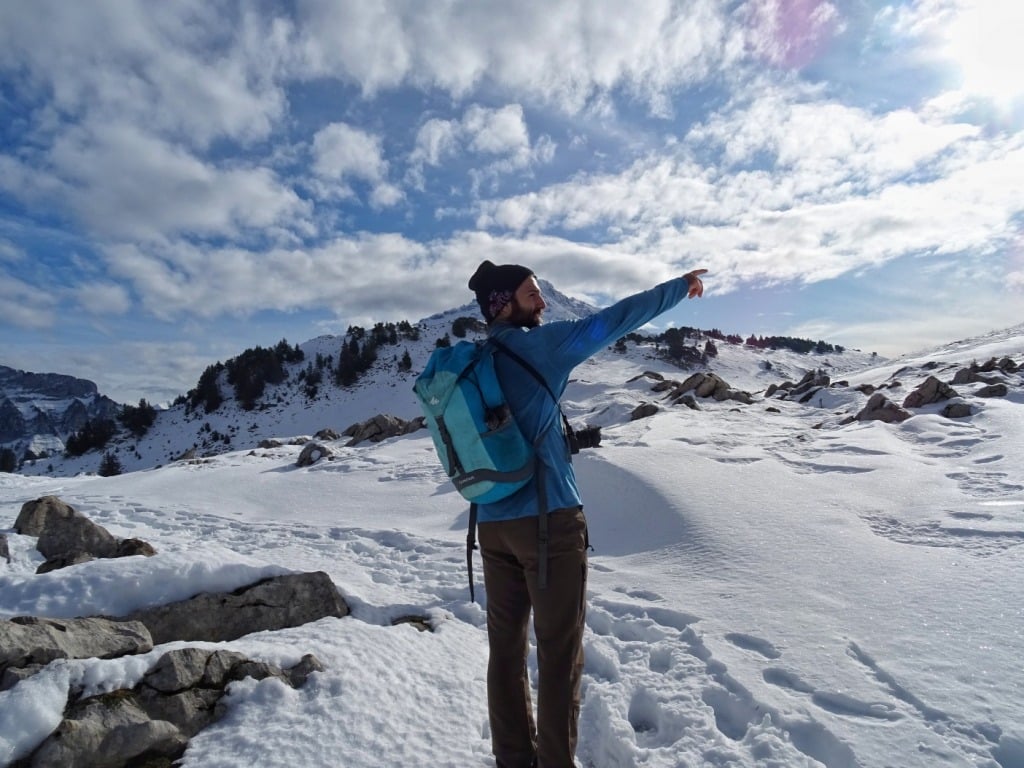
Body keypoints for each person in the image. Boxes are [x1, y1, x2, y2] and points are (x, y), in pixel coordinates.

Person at [467, 260, 707, 768]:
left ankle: (513, 759)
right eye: (533, 293)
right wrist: (679, 288)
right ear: (503, 303)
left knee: (505, 652)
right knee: (558, 655)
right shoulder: (542, 346)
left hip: (491, 525)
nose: (544, 301)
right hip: (548, 521)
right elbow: (615, 319)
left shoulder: (476, 360)